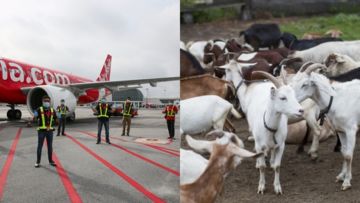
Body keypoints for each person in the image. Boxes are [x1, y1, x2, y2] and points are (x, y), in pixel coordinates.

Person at [33, 96, 57, 168]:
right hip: (41, 131)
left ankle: (50, 161)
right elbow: (34, 120)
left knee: (50, 146)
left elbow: (56, 120)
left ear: (49, 102)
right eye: (45, 101)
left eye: (48, 101)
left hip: (50, 131)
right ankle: (38, 162)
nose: (47, 102)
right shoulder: (39, 109)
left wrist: (58, 119)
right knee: (40, 146)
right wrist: (35, 116)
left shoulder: (52, 110)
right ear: (42, 102)